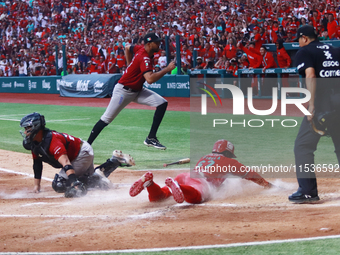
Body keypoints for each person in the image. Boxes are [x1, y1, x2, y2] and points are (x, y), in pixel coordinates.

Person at [87, 33, 175, 150]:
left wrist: (129, 65)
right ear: (149, 44)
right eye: (156, 42)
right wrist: (167, 69)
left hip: (137, 90)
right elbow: (149, 79)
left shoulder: (141, 49)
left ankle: (151, 138)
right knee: (106, 119)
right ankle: (86, 147)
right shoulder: (144, 57)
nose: (159, 44)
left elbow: (127, 47)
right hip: (123, 91)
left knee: (162, 103)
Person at [20, 112, 135, 198]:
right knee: (87, 179)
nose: (25, 132)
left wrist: (75, 183)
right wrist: (37, 186)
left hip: (81, 154)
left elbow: (66, 163)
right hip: (78, 154)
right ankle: (113, 162)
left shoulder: (52, 142)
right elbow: (37, 164)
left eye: (27, 129)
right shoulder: (36, 143)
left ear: (36, 128)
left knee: (60, 184)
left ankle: (96, 179)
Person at [130, 140, 273, 204]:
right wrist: (266, 184)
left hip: (185, 176)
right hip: (199, 182)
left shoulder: (205, 157)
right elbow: (251, 175)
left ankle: (149, 183)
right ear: (228, 153)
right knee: (196, 197)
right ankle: (179, 187)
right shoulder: (229, 162)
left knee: (159, 197)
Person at [289, 25, 340, 203]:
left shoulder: (304, 51)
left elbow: (310, 75)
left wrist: (311, 105)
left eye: (298, 40)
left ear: (304, 38)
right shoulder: (335, 50)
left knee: (303, 146)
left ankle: (308, 192)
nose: (298, 43)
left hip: (323, 106)